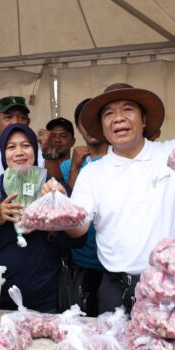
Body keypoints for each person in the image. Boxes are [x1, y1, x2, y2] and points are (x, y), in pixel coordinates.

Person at [47, 82, 175, 313]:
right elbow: (78, 229)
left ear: (143, 120)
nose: (118, 118)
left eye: (127, 109)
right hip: (116, 289)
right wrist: (60, 205)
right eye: (109, 113)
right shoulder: (92, 172)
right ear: (102, 127)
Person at [0, 123, 85, 312]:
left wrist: (49, 222)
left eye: (26, 145)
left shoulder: (53, 188)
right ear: (3, 154)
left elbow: (78, 241)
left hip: (46, 297)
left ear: (35, 149)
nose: (19, 152)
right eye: (11, 147)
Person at [58, 99, 107, 316]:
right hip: (81, 257)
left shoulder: (118, 162)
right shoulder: (69, 165)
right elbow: (73, 208)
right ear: (78, 127)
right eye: (83, 121)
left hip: (111, 262)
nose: (89, 127)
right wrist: (76, 167)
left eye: (94, 120)